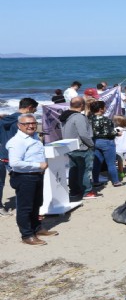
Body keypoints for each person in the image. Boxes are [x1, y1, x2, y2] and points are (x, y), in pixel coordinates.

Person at [6, 114, 57, 245]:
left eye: (33, 123)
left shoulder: (34, 137)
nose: (30, 126)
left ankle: (37, 228)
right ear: (19, 125)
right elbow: (15, 163)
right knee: (25, 208)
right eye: (26, 124)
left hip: (36, 176)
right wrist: (38, 165)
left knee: (37, 204)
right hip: (24, 177)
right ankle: (27, 235)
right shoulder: (17, 141)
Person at [0, 97, 39, 216]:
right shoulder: (22, 122)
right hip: (18, 156)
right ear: (29, 108)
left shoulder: (4, 120)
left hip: (3, 154)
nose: (34, 113)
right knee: (24, 183)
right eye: (34, 110)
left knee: (2, 183)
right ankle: (25, 208)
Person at [59, 97, 97, 201]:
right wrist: (91, 144)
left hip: (70, 146)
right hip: (82, 147)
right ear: (82, 105)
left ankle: (74, 191)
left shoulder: (64, 116)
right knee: (85, 170)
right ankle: (87, 191)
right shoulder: (78, 117)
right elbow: (84, 134)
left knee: (74, 169)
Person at [89, 101, 125, 187]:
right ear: (101, 109)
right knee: (111, 163)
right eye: (104, 107)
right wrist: (117, 133)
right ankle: (116, 181)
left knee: (97, 163)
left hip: (95, 141)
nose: (105, 109)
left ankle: (96, 181)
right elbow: (109, 132)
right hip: (107, 142)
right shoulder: (106, 120)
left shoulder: (89, 119)